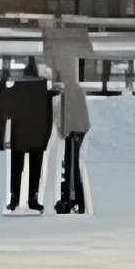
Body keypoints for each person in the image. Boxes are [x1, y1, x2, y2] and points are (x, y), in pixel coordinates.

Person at [6, 59, 56, 214]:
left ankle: (14, 199)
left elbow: (10, 105)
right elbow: (48, 110)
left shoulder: (19, 85)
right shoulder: (41, 85)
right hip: (37, 133)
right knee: (35, 169)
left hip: (20, 132)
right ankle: (33, 199)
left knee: (16, 168)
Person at [54, 61, 92, 216]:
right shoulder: (75, 90)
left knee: (71, 166)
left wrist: (66, 130)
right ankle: (74, 199)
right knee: (72, 166)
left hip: (73, 132)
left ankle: (71, 199)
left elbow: (64, 112)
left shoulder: (69, 91)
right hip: (76, 131)